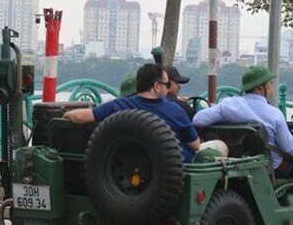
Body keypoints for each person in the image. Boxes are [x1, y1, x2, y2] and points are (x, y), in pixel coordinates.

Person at [192, 66, 293, 200]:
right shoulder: (274, 114)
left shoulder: (228, 105)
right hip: (273, 168)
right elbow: (290, 149)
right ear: (260, 87)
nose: (273, 87)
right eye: (270, 84)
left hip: (237, 161)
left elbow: (198, 119)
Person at [64, 63, 202, 162]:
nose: (167, 89)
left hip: (126, 168)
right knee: (219, 146)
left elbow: (80, 116)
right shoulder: (176, 110)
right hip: (173, 175)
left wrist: (66, 114)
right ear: (156, 86)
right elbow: (195, 145)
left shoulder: (120, 105)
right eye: (166, 85)